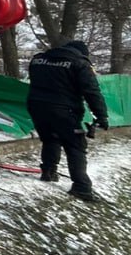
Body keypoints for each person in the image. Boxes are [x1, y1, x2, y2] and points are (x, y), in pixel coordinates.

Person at [26, 39, 109, 202]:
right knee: (75, 145)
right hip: (64, 110)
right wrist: (101, 116)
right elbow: (91, 91)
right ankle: (81, 187)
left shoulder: (38, 59)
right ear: (82, 53)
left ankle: (48, 172)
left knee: (50, 138)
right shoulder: (79, 63)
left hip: (36, 106)